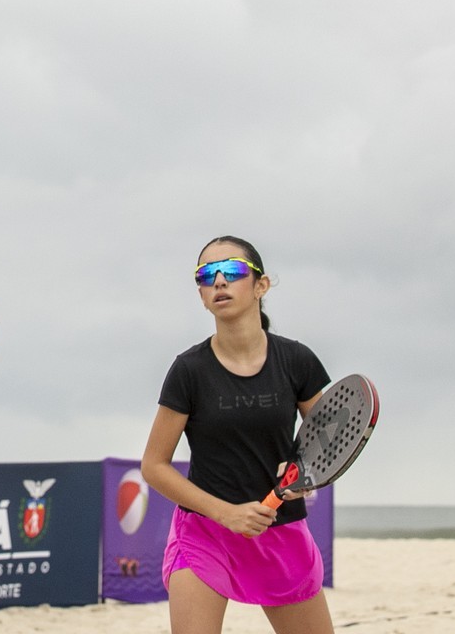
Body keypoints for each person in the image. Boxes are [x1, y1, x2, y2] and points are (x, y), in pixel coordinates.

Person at [141, 236, 334, 634]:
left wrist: (303, 474)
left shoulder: (297, 360)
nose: (218, 282)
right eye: (206, 276)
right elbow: (154, 466)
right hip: (205, 534)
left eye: (231, 271)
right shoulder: (189, 370)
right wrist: (225, 513)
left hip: (280, 532)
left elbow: (329, 440)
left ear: (261, 286)